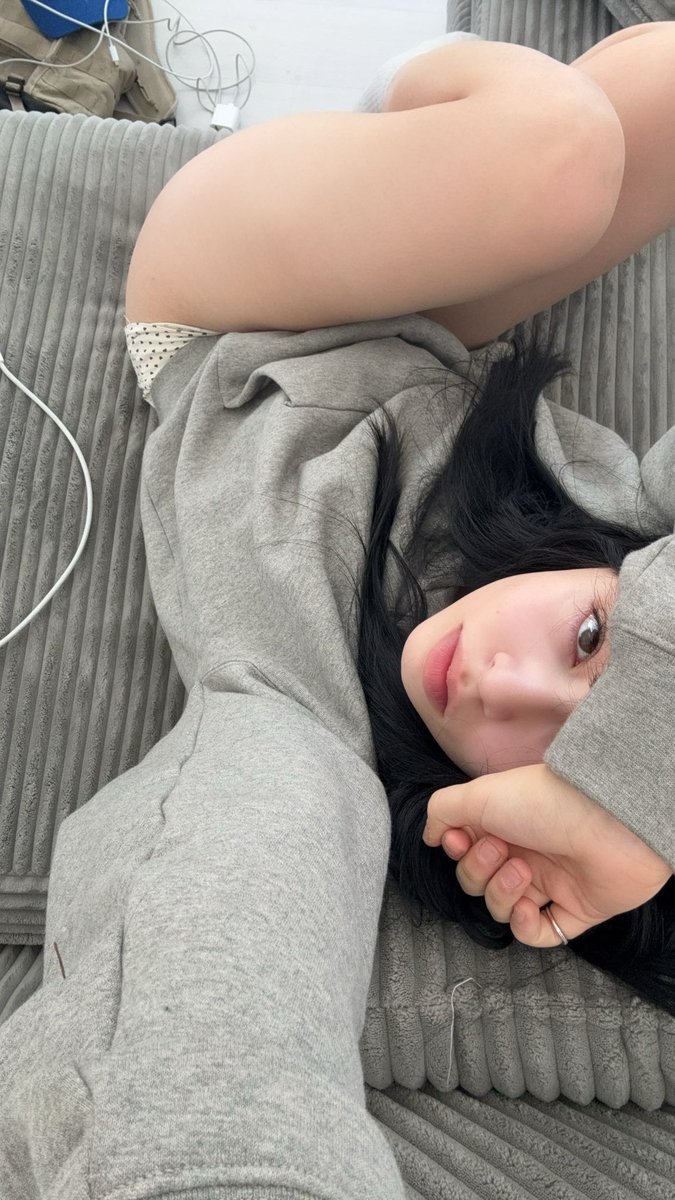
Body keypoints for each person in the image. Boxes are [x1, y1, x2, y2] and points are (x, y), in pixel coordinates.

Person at [125, 26, 675, 1008]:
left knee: (562, 147)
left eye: (553, 758)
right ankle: (423, 133)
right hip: (417, 340)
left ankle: (429, 142)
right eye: (588, 642)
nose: (498, 682)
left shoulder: (301, 709)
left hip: (227, 318)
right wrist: (646, 796)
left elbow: (224, 936)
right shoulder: (622, 525)